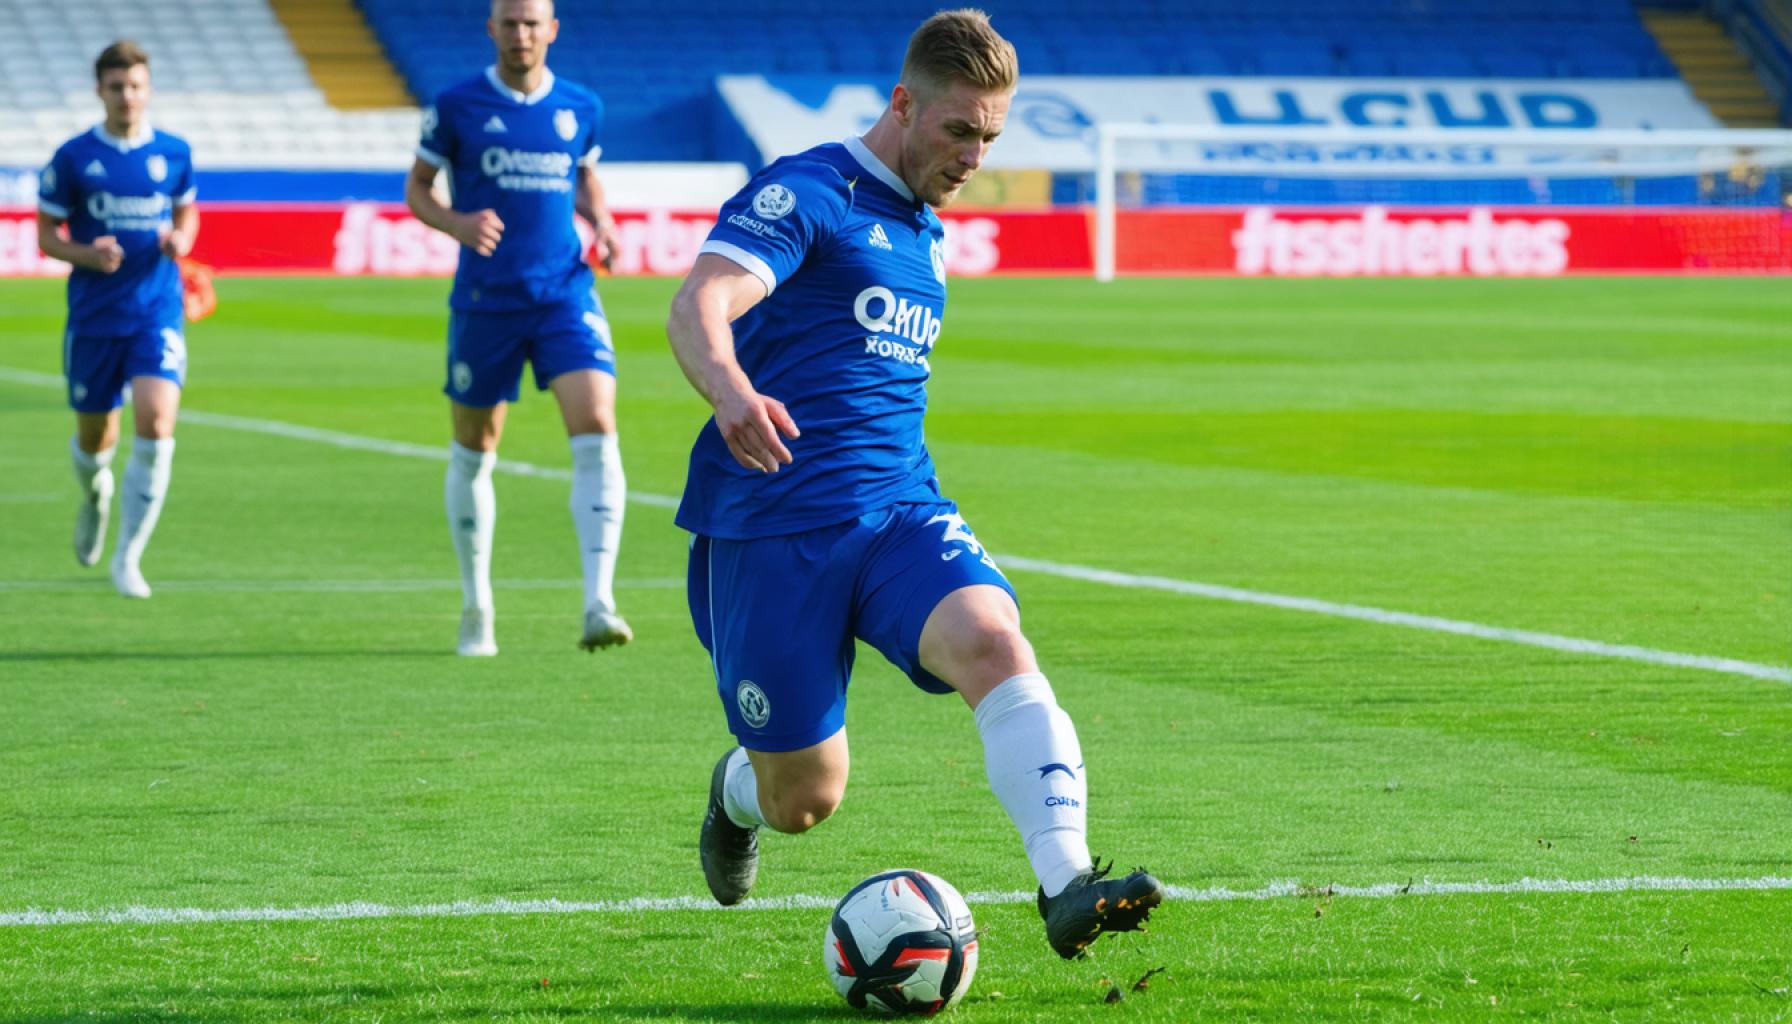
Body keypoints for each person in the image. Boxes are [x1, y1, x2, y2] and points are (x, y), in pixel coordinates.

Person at [666, 9, 1164, 959]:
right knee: (804, 800)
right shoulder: (813, 191)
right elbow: (700, 303)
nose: (976, 154)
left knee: (993, 639)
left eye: (991, 136)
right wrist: (730, 391)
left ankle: (1068, 883)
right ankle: (738, 791)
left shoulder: (929, 234)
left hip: (899, 510)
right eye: (959, 129)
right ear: (904, 103)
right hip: (775, 523)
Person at [407, 0, 630, 657]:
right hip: (485, 300)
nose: (522, 33)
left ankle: (599, 600)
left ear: (552, 31)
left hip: (564, 290)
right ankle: (477, 606)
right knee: (476, 444)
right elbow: (418, 188)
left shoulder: (580, 106)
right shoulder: (456, 106)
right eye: (510, 22)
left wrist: (604, 222)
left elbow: (584, 177)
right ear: (493, 29)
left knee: (596, 421)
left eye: (533, 22)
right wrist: (456, 223)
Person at [37, 41, 198, 600]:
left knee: (156, 424)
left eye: (134, 85)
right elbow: (45, 236)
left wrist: (182, 239)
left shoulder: (174, 152)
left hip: (156, 311)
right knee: (95, 442)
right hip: (95, 317)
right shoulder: (74, 157)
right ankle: (95, 494)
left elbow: (187, 208)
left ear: (147, 89)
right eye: (116, 86)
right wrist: (86, 254)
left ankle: (129, 557)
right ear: (99, 91)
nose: (126, 96)